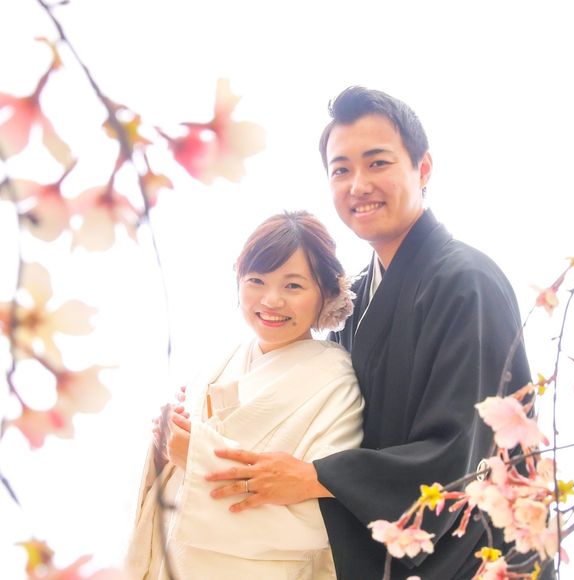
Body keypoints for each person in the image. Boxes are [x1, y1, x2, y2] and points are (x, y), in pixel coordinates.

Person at [205, 87, 533, 579]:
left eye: (377, 163)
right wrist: (209, 410)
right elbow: (318, 396)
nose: (358, 185)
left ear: (423, 168)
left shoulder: (467, 282)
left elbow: (457, 449)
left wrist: (317, 477)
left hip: (474, 557)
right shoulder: (355, 297)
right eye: (341, 170)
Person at [125, 210, 364, 580]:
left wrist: (195, 455)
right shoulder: (223, 359)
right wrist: (164, 441)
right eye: (256, 280)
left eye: (293, 286)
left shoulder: (337, 381)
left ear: (326, 294)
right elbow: (175, 467)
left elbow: (320, 517)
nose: (271, 300)